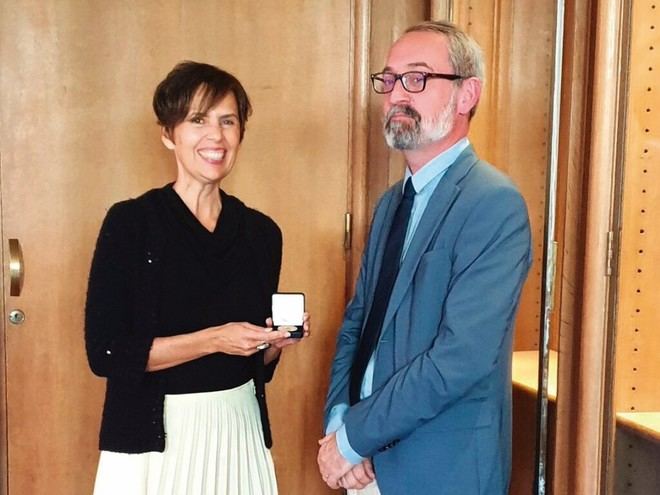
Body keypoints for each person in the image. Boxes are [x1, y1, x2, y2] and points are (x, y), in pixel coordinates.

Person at [318, 20, 532, 495]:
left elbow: (461, 357)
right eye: (389, 79)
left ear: (467, 94)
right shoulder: (391, 204)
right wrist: (339, 422)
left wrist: (353, 439)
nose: (397, 94)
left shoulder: (493, 203)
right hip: (364, 465)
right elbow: (358, 323)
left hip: (440, 469)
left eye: (416, 78)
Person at [85, 61, 309, 495]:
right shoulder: (131, 224)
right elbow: (107, 354)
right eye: (198, 120)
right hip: (153, 441)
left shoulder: (261, 233)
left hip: (238, 429)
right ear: (169, 134)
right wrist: (214, 339)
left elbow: (252, 366)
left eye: (228, 121)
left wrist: (271, 345)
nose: (216, 136)